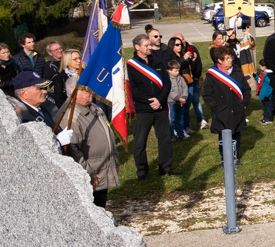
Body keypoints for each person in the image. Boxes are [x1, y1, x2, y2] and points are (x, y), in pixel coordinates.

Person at [126, 34, 176, 180]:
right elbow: (132, 89)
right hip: (142, 110)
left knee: (165, 138)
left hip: (160, 107)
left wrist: (160, 100)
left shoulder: (157, 62)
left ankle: (166, 167)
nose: (150, 47)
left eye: (150, 45)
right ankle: (142, 171)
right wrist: (150, 101)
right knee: (140, 141)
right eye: (146, 45)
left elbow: (167, 83)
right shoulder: (131, 65)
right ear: (137, 47)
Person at [66, 88, 119, 208]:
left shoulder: (95, 108)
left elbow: (107, 133)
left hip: (102, 166)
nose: (90, 94)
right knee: (91, 207)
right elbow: (72, 149)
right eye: (85, 91)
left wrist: (114, 158)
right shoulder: (71, 116)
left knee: (101, 204)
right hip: (92, 172)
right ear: (73, 93)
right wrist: (88, 173)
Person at [203, 45, 251, 166]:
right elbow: (207, 95)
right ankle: (225, 159)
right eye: (227, 58)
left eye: (231, 57)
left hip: (237, 109)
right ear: (219, 60)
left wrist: (244, 104)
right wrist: (216, 107)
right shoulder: (212, 74)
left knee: (236, 134)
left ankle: (235, 157)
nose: (231, 60)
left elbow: (246, 90)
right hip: (221, 111)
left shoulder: (237, 72)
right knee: (223, 135)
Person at [165, 60, 188, 141]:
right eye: (175, 71)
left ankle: (180, 134)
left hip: (181, 102)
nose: (177, 72)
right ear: (169, 70)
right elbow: (169, 91)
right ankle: (171, 135)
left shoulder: (180, 78)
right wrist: (178, 98)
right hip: (172, 102)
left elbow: (185, 88)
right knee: (172, 119)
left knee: (180, 119)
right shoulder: (167, 79)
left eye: (178, 70)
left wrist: (184, 97)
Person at [256, 58, 274, 124]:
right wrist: (256, 77)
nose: (259, 67)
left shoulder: (268, 75)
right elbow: (260, 80)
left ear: (264, 66)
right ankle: (265, 118)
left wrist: (267, 95)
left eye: (260, 66)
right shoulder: (262, 74)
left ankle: (268, 119)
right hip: (263, 94)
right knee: (265, 107)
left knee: (268, 107)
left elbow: (269, 86)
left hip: (267, 95)